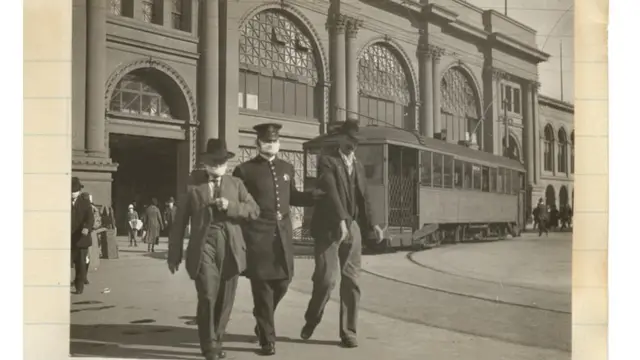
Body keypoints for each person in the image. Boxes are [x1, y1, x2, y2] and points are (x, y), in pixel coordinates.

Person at [233, 123, 320, 356]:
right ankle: (267, 340)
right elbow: (239, 204)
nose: (272, 144)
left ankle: (263, 317)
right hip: (257, 235)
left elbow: (293, 197)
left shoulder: (287, 167)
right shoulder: (244, 170)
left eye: (275, 140)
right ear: (258, 143)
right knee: (262, 288)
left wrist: (315, 196)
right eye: (267, 141)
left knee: (284, 281)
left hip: (282, 234)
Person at [168, 138, 260, 360]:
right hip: (204, 246)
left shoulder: (236, 184)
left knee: (225, 299)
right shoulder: (193, 187)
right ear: (206, 163)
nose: (218, 166)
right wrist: (174, 253)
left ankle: (217, 339)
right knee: (208, 294)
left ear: (227, 164)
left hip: (231, 246)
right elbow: (179, 221)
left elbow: (254, 210)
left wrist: (232, 207)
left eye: (222, 162)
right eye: (213, 162)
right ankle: (208, 345)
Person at [302, 120, 384, 348]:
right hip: (329, 227)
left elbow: (364, 197)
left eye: (356, 143)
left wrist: (373, 224)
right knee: (326, 280)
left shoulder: (357, 165)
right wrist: (340, 219)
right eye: (349, 141)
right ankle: (312, 318)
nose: (352, 146)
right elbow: (329, 191)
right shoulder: (327, 161)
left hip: (352, 226)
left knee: (352, 280)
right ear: (341, 139)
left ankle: (348, 332)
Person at [70, 177, 94, 295]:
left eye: (75, 191)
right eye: (71, 191)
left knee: (80, 264)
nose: (73, 194)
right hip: (68, 239)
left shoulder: (85, 202)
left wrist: (86, 227)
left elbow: (90, 218)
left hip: (81, 238)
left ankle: (79, 286)